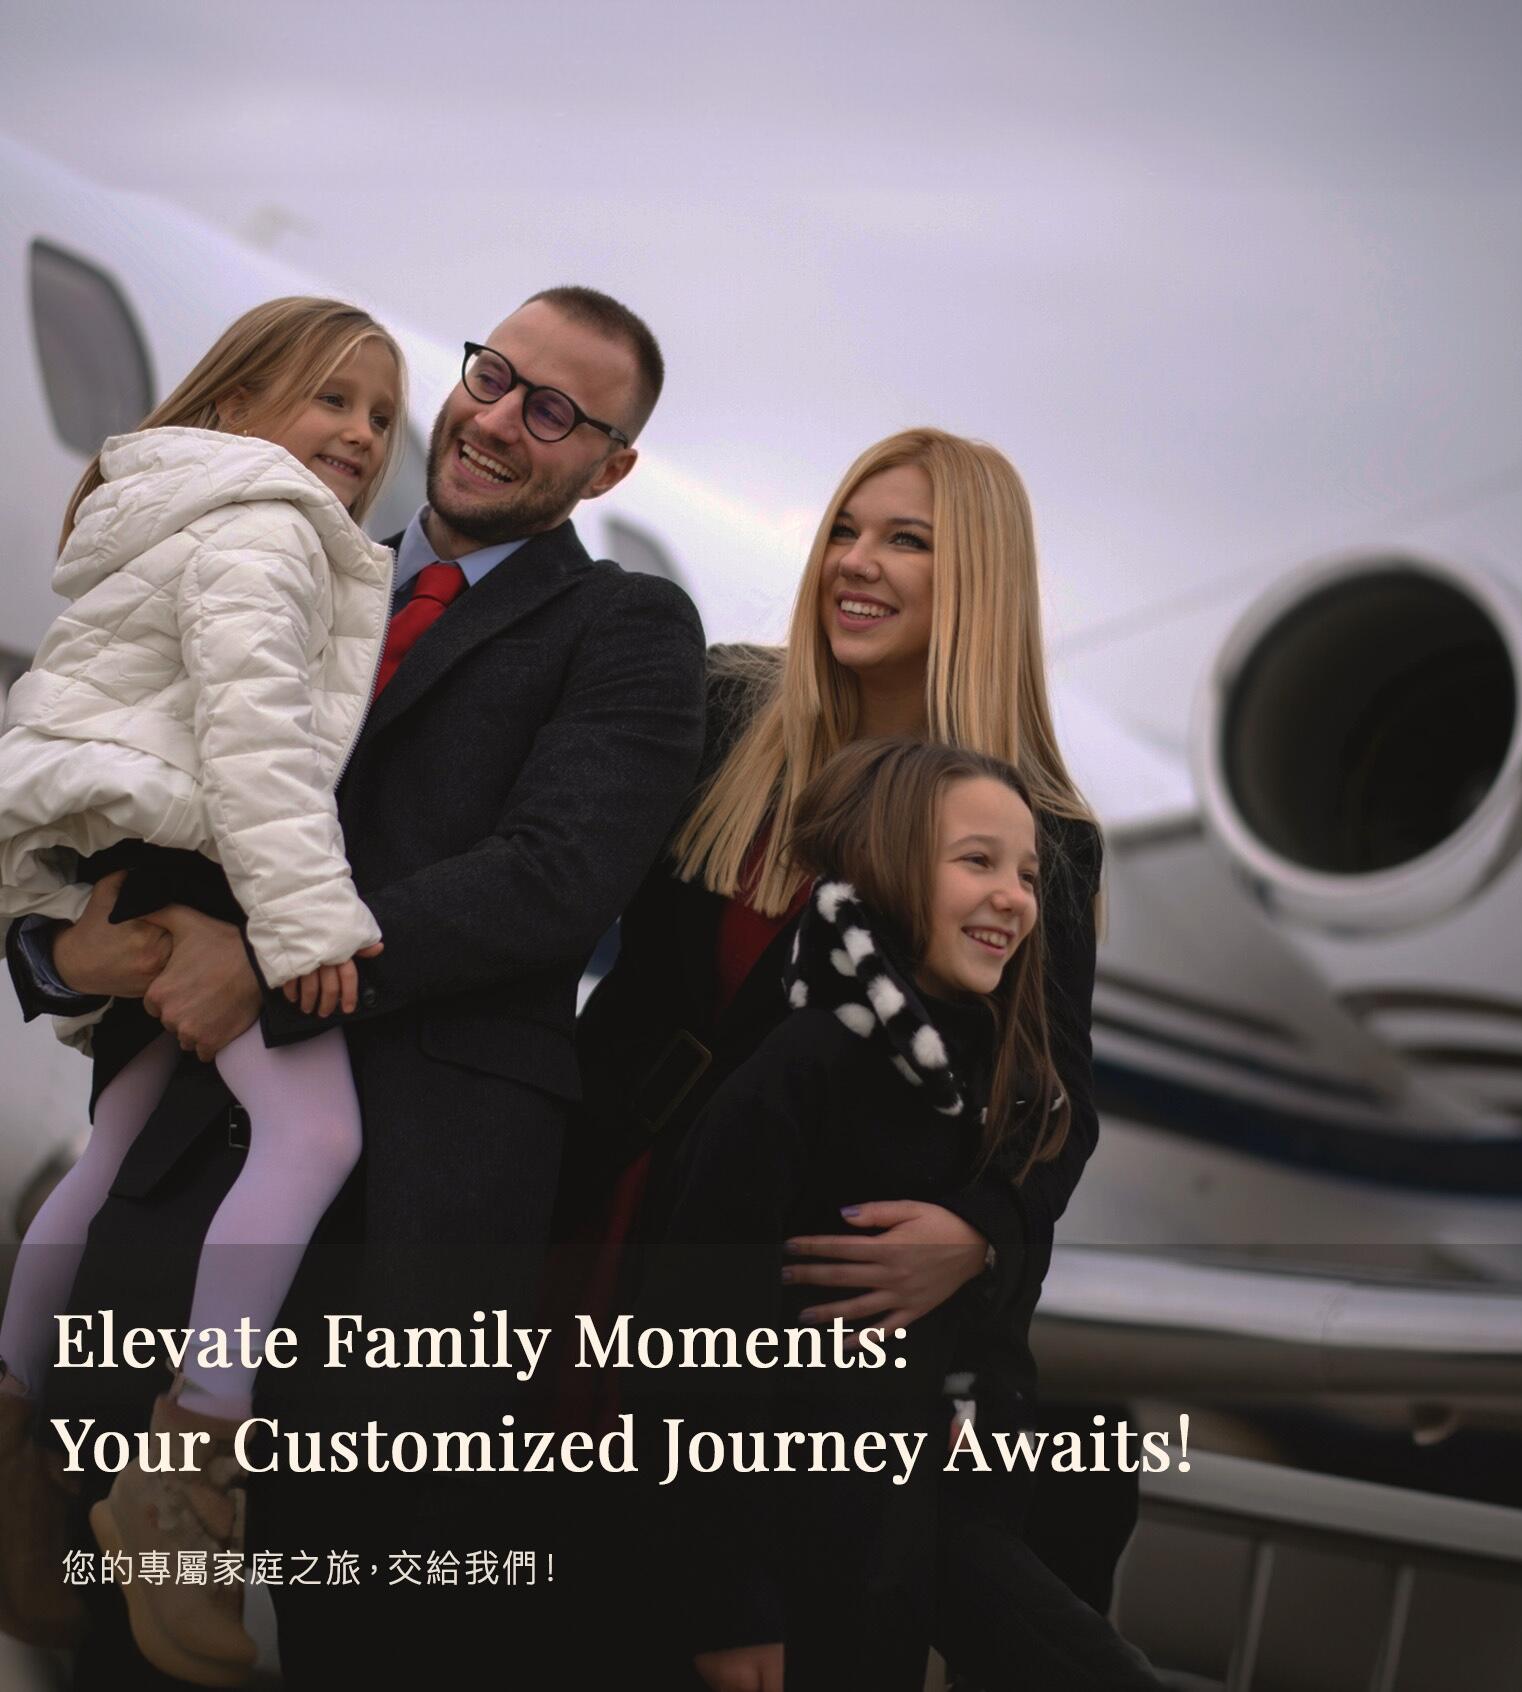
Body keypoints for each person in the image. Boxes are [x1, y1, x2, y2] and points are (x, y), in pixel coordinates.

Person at [5, 285, 707, 1686]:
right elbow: (127, 779)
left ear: (610, 465)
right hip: (173, 1195)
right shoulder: (286, 558)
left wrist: (266, 963)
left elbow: (551, 878)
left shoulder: (628, 628)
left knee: (369, 1636)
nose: (496, 420)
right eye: (493, 375)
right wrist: (54, 950)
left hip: (412, 1237)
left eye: (554, 411)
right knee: (121, 1651)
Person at [577, 429, 1131, 1684]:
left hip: (797, 1308)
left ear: (976, 580)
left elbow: (1055, 1102)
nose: (855, 562)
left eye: (905, 541)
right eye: (844, 529)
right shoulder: (731, 722)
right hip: (613, 1217)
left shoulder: (1037, 835)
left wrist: (983, 1231)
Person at [0, 294, 404, 1680]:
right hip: (209, 853)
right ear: (235, 404)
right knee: (317, 1133)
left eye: (379, 414)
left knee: (110, 1152)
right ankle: (187, 1468)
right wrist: (306, 925)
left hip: (134, 845)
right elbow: (256, 743)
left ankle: (14, 1438)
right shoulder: (266, 525)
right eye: (330, 398)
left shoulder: (162, 505)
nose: (361, 435)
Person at [637, 738, 1164, 1692]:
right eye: (977, 862)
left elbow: (990, 1335)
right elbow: (695, 1354)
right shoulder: (796, 1075)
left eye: (1027, 876)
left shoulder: (993, 1091)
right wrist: (729, 1606)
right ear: (887, 867)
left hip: (918, 1535)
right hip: (796, 1563)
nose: (1015, 898)